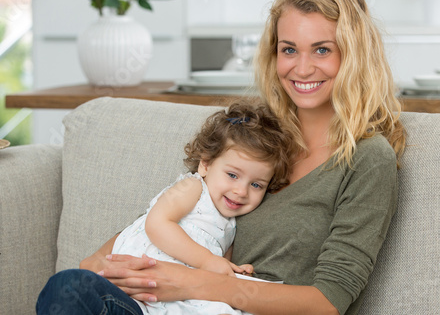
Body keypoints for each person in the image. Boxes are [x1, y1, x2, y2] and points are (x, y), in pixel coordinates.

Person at [37, 0, 407, 314]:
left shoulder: (367, 158)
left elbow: (328, 302)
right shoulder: (257, 133)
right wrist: (102, 263)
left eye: (322, 50)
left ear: (353, 55)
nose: (302, 67)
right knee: (70, 288)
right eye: (289, 49)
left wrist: (194, 282)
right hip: (165, 305)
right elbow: (186, 205)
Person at [37, 100, 294, 315]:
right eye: (233, 175)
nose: (241, 191)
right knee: (68, 286)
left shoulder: (231, 225)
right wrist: (209, 261)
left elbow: (219, 271)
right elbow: (158, 224)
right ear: (205, 165)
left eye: (257, 185)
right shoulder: (192, 188)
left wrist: (235, 271)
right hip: (131, 299)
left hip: (174, 305)